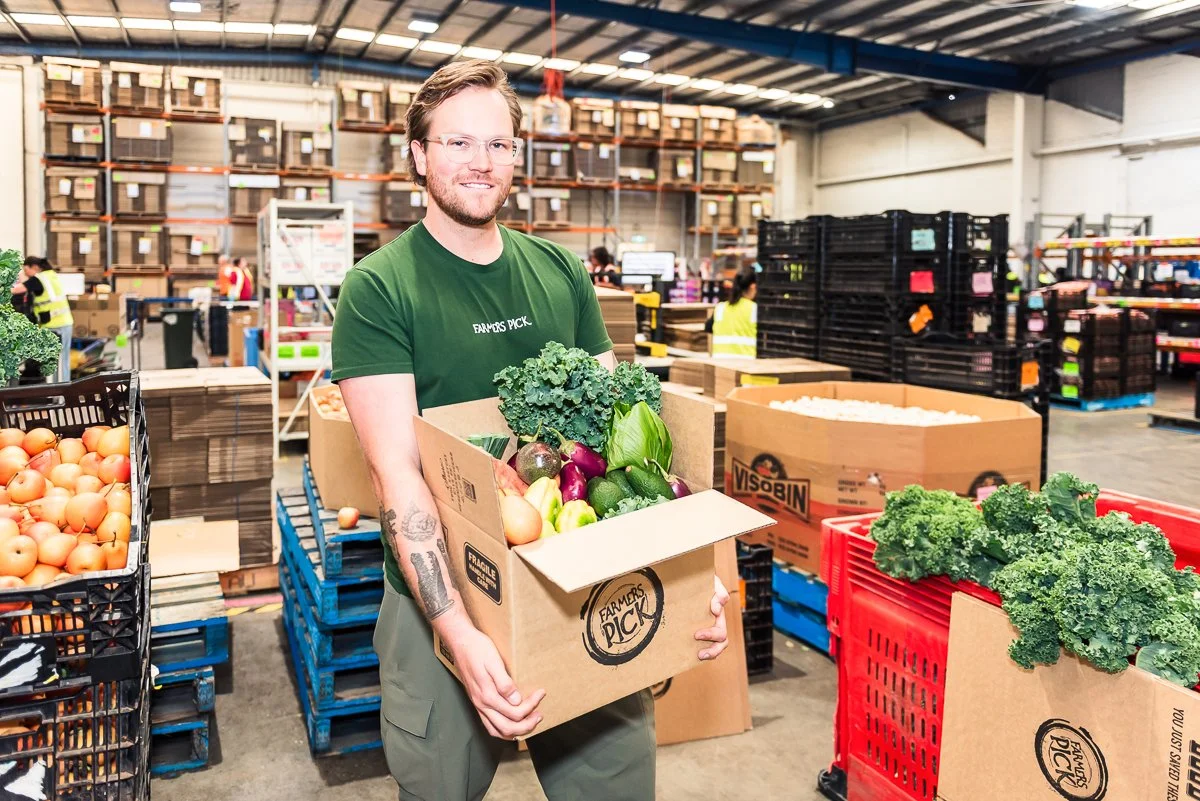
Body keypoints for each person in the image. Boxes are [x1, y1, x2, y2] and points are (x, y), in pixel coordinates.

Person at [330, 60, 730, 801]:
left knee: (617, 784)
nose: (479, 163)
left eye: (498, 145)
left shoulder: (560, 272)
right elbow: (397, 477)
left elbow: (626, 442)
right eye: (456, 143)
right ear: (418, 154)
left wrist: (694, 578)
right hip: (441, 596)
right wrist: (462, 634)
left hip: (578, 581)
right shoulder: (380, 288)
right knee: (438, 785)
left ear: (518, 154)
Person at [10, 257, 73, 382]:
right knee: (63, 360)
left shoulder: (38, 279)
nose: (25, 273)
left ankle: (59, 391)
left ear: (34, 267)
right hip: (64, 322)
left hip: (55, 325)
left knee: (54, 363)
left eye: (25, 270)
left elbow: (17, 289)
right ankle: (64, 389)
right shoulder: (50, 275)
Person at [709, 266, 758, 358]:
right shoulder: (754, 309)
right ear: (753, 286)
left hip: (720, 366)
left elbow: (708, 327)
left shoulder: (720, 308)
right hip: (745, 367)